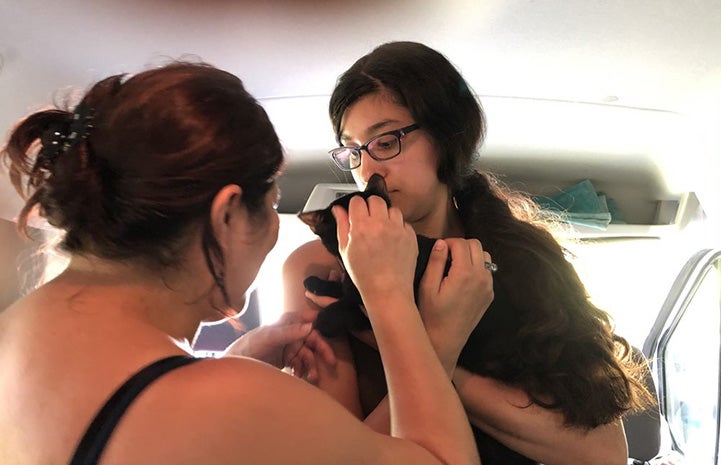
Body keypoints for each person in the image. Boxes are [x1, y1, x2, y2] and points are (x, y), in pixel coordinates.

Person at [0, 61, 494, 464]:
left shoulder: (16, 333)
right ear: (227, 216)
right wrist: (401, 307)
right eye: (272, 204)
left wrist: (231, 362)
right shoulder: (226, 400)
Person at [281, 41, 655, 465]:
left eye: (385, 142)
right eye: (353, 152)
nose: (367, 171)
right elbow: (334, 458)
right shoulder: (319, 266)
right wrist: (437, 344)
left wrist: (424, 352)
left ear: (446, 137)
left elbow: (604, 453)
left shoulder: (526, 258)